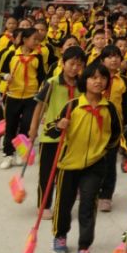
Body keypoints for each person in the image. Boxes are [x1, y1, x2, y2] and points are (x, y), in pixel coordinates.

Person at [49, 62, 123, 253]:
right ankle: (60, 234)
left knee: (88, 205)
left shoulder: (109, 108)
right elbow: (50, 130)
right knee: (64, 204)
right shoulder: (72, 106)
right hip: (68, 164)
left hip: (95, 164)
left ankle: (83, 248)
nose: (98, 81)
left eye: (102, 78)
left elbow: (116, 134)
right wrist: (58, 125)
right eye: (93, 77)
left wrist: (103, 150)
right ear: (85, 81)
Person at [30, 46, 85, 209]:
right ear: (62, 63)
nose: (75, 68)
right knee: (47, 174)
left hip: (73, 137)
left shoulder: (82, 85)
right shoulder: (51, 83)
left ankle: (63, 204)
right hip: (50, 135)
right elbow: (39, 106)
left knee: (67, 174)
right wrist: (33, 129)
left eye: (79, 64)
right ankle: (44, 205)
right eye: (72, 64)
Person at [0, 27, 48, 169]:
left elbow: (41, 77)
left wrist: (42, 90)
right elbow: (1, 72)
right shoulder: (12, 55)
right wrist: (6, 76)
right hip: (13, 96)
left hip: (31, 97)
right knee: (11, 127)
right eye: (34, 39)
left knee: (26, 125)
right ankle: (8, 154)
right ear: (25, 40)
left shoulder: (37, 57)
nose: (37, 42)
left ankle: (21, 151)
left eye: (38, 40)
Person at [95, 45, 127, 212]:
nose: (114, 59)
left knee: (110, 161)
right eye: (109, 56)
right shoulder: (95, 77)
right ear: (102, 60)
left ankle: (106, 195)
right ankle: (89, 189)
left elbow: (126, 104)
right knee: (93, 159)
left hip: (113, 126)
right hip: (93, 123)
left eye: (117, 56)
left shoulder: (123, 80)